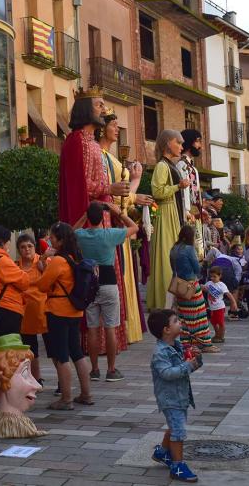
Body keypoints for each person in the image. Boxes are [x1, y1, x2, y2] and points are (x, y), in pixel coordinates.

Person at [97, 109, 152, 345]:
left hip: (120, 222)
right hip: (113, 222)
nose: (117, 130)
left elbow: (122, 195)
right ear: (102, 128)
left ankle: (125, 327)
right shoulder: (99, 157)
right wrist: (135, 190)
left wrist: (135, 187)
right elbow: (113, 196)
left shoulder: (113, 159)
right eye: (114, 125)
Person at [74, 202, 139, 381]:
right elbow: (135, 227)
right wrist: (119, 213)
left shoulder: (82, 235)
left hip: (90, 284)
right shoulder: (110, 234)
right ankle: (111, 369)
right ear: (103, 218)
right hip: (109, 281)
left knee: (92, 329)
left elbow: (70, 232)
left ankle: (94, 369)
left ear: (88, 218)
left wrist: (84, 216)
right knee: (110, 328)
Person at [35, 222, 93, 410]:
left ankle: (66, 398)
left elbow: (42, 285)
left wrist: (43, 262)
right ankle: (86, 394)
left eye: (52, 238)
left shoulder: (59, 261)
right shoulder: (76, 258)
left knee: (61, 355)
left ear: (60, 241)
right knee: (77, 352)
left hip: (58, 310)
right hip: (75, 310)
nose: (49, 240)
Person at [58, 87, 128, 225]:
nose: (104, 110)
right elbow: (79, 185)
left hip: (103, 220)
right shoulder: (76, 140)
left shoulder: (93, 143)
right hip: (87, 224)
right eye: (99, 105)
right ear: (85, 110)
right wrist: (110, 188)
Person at [147, 309, 201, 483]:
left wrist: (195, 360)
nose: (180, 323)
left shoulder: (176, 345)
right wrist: (187, 366)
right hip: (170, 398)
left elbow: (188, 367)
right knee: (178, 430)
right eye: (176, 321)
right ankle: (177, 466)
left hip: (180, 396)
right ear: (166, 330)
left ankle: (162, 452)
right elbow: (167, 373)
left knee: (173, 426)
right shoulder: (160, 353)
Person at [147, 129, 189, 310]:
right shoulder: (162, 166)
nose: (181, 146)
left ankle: (170, 301)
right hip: (165, 214)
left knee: (171, 257)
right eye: (178, 142)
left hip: (173, 213)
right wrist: (177, 186)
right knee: (167, 258)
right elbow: (157, 192)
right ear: (167, 144)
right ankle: (164, 302)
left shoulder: (169, 166)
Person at [170, 225, 218, 352]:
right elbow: (197, 269)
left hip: (179, 286)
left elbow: (172, 268)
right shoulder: (189, 249)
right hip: (191, 286)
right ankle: (203, 343)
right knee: (199, 315)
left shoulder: (173, 249)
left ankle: (187, 343)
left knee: (184, 317)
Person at [16, 234, 48, 384]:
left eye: (29, 246)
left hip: (44, 311)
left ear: (35, 247)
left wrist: (45, 268)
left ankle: (62, 383)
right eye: (23, 247)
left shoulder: (42, 263)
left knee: (53, 348)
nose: (27, 250)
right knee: (31, 349)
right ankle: (36, 378)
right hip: (26, 314)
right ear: (19, 250)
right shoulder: (16, 266)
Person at [176, 129, 205, 259]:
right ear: (189, 143)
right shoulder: (181, 165)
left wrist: (201, 208)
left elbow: (195, 192)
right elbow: (183, 192)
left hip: (195, 214)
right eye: (197, 141)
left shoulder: (192, 167)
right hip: (188, 215)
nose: (200, 146)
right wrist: (187, 211)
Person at [204, 267, 235, 343]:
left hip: (219, 307)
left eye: (214, 276)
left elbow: (228, 294)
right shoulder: (209, 283)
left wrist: (233, 303)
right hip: (212, 307)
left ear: (220, 276)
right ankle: (217, 334)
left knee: (220, 322)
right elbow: (205, 289)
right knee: (213, 322)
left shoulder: (222, 285)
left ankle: (221, 337)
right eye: (211, 276)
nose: (212, 278)